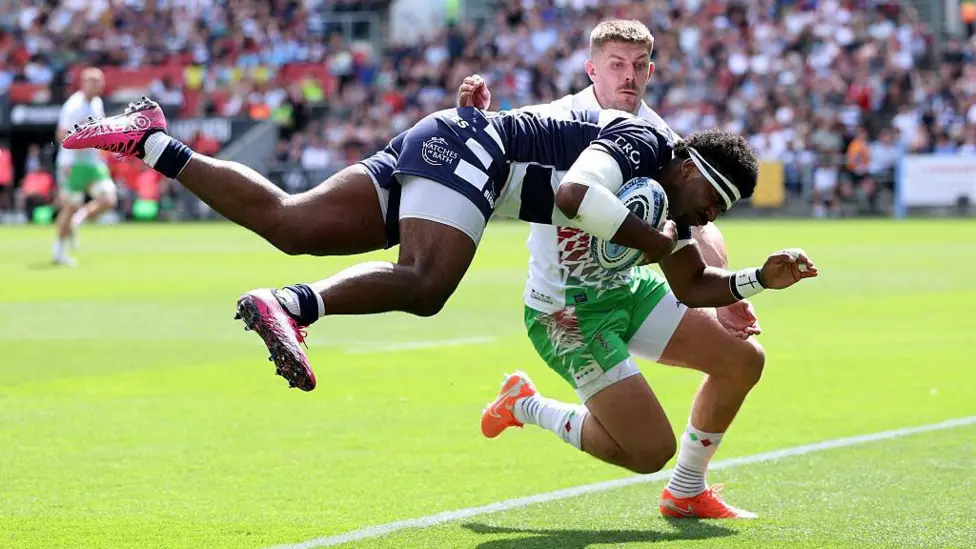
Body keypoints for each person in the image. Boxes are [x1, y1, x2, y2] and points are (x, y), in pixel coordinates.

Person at [63, 95, 807, 397]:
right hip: (472, 147)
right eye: (710, 200)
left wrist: (754, 279)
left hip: (454, 144)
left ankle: (152, 138)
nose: (704, 215)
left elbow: (692, 288)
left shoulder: (668, 206)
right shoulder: (644, 139)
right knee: (426, 284)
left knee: (291, 224)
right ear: (689, 167)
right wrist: (660, 241)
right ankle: (292, 306)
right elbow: (577, 196)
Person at [461, 20, 817, 519]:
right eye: (615, 65)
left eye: (637, 67)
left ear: (650, 72)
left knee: (744, 360)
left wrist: (737, 290)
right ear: (592, 70)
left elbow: (696, 226)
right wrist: (477, 118)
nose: (627, 77)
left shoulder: (662, 138)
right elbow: (500, 142)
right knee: (649, 451)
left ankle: (688, 489)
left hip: (630, 290)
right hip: (567, 316)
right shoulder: (557, 119)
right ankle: (525, 404)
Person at [52, 68, 119, 266]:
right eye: (92, 81)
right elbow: (60, 134)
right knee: (70, 206)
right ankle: (58, 251)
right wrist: (83, 139)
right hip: (72, 162)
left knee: (108, 199)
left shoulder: (97, 104)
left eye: (99, 81)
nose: (97, 85)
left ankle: (77, 222)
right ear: (83, 83)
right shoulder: (73, 106)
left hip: (93, 160)